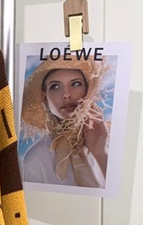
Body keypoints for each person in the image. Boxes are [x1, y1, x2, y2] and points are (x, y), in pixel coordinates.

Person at [20, 54, 109, 187]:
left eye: (75, 84)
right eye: (55, 86)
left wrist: (100, 152)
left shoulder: (109, 140)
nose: (67, 94)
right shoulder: (35, 157)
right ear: (44, 97)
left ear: (87, 90)